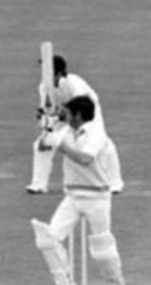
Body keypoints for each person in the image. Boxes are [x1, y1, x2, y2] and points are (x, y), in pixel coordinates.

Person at [30, 95, 126, 285]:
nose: (66, 115)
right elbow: (44, 147)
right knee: (48, 239)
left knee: (102, 246)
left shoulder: (97, 134)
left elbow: (84, 159)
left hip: (97, 197)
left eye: (69, 112)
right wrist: (47, 129)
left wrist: (60, 145)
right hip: (73, 196)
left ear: (79, 115)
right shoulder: (65, 131)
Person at [26, 54, 123, 195]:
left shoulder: (73, 84)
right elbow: (47, 110)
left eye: (48, 71)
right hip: (64, 115)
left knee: (104, 145)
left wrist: (58, 116)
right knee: (41, 145)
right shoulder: (43, 87)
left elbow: (81, 111)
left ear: (58, 73)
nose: (43, 75)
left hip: (89, 113)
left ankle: (115, 184)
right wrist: (45, 121)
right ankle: (39, 184)